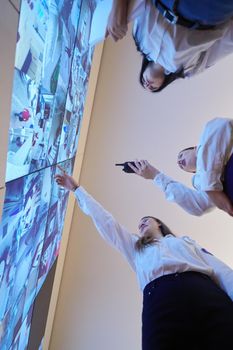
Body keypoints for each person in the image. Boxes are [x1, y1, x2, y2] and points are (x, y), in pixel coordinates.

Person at [54, 167, 233, 349]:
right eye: (139, 223)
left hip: (203, 292)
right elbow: (106, 222)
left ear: (159, 224)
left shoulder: (185, 242)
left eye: (147, 219)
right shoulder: (135, 248)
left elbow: (219, 269)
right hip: (160, 302)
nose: (141, 223)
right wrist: (77, 190)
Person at [107, 0, 233, 92]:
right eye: (153, 88)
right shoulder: (188, 71)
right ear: (163, 84)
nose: (147, 85)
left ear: (142, 71)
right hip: (209, 9)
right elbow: (225, 43)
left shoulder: (139, 38)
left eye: (143, 82)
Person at [129, 117, 233, 217]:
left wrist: (211, 187)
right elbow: (198, 205)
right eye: (181, 167)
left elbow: (221, 125)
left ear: (195, 148)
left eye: (181, 155)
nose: (179, 161)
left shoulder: (209, 133)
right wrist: (155, 175)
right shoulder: (201, 183)